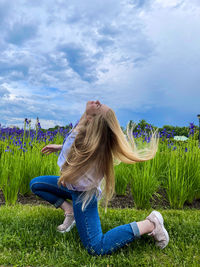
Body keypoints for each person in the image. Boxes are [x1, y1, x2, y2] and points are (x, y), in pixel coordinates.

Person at [30, 100, 169, 255]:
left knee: (96, 247)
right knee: (36, 184)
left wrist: (84, 119)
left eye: (99, 107)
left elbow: (77, 147)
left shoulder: (96, 145)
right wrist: (60, 146)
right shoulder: (86, 129)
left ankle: (150, 224)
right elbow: (77, 144)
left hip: (84, 196)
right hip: (72, 187)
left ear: (93, 120)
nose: (97, 101)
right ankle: (70, 212)